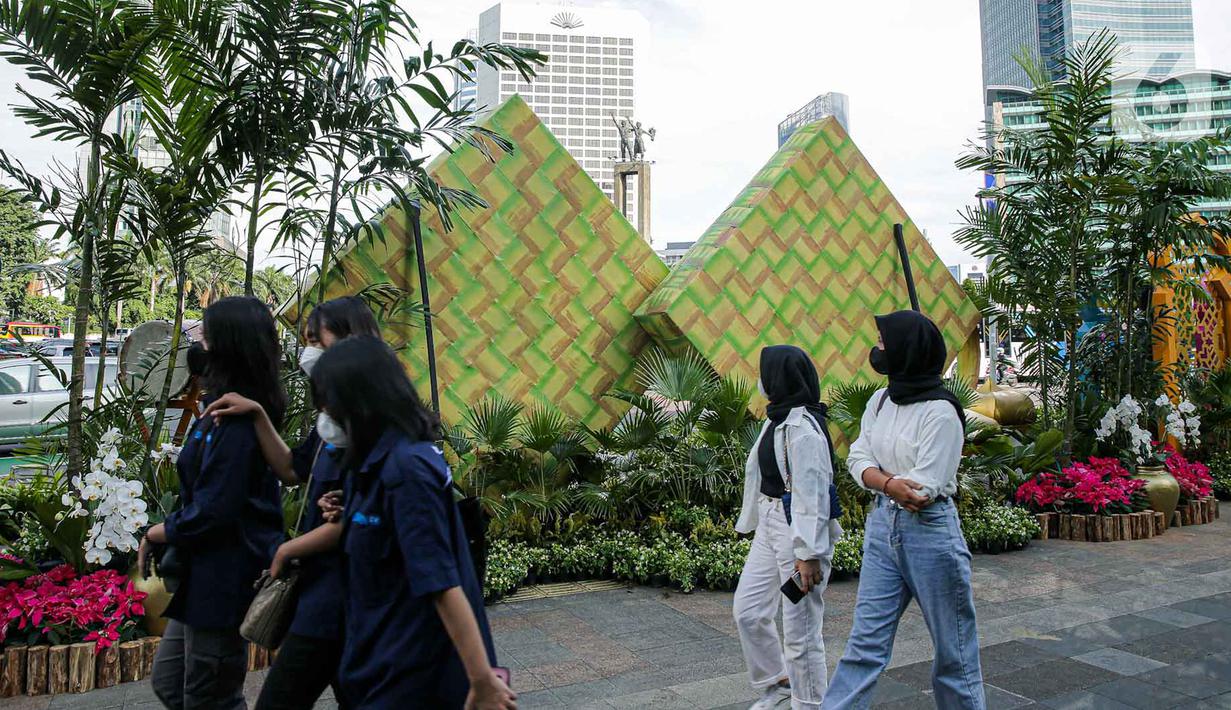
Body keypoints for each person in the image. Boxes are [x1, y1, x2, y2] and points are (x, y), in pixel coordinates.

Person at [307, 336, 513, 708]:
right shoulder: (367, 464)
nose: (324, 414)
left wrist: (482, 680)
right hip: (376, 664)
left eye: (329, 403)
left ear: (360, 401)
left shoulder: (407, 468)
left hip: (410, 675)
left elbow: (441, 583)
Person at [203, 296, 380, 710]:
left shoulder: (371, 420)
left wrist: (287, 549)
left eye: (317, 339)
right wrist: (258, 416)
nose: (309, 351)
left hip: (340, 594)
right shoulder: (332, 418)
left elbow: (359, 515)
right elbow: (293, 469)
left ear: (352, 340)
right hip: (325, 592)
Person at [823, 311, 985, 710]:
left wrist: (879, 476)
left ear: (906, 351)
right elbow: (856, 457)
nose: (877, 349)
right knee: (864, 646)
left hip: (930, 533)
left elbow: (923, 489)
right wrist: (887, 482)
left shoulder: (942, 412)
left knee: (954, 653)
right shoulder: (881, 400)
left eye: (883, 342)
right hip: (884, 528)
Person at [142, 296, 287, 710]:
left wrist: (160, 531)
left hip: (224, 579)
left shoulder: (238, 420)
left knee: (212, 698)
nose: (195, 340)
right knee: (172, 685)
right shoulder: (216, 408)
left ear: (228, 343)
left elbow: (216, 508)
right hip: (199, 579)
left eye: (204, 332)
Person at [734, 345, 842, 710]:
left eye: (764, 374)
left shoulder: (804, 431)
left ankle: (809, 704)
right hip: (770, 524)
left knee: (801, 632)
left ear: (778, 379)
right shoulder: (778, 419)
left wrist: (807, 554)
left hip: (798, 534)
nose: (760, 382)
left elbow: (814, 495)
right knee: (749, 611)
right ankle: (779, 685)